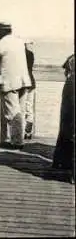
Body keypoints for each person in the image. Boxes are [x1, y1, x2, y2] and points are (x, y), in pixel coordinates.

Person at [0, 22, 32, 149]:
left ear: (0, 31)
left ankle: (17, 143)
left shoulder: (0, 44)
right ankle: (18, 140)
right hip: (23, 81)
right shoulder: (19, 42)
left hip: (9, 83)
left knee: (13, 113)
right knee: (21, 111)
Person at [52, 54, 74, 183]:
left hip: (70, 89)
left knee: (66, 125)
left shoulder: (72, 58)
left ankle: (61, 161)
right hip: (71, 90)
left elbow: (67, 73)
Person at [24, 40, 36, 139]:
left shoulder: (17, 55)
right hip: (31, 82)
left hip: (22, 84)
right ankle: (28, 132)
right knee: (29, 108)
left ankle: (19, 133)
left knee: (19, 109)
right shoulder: (30, 54)